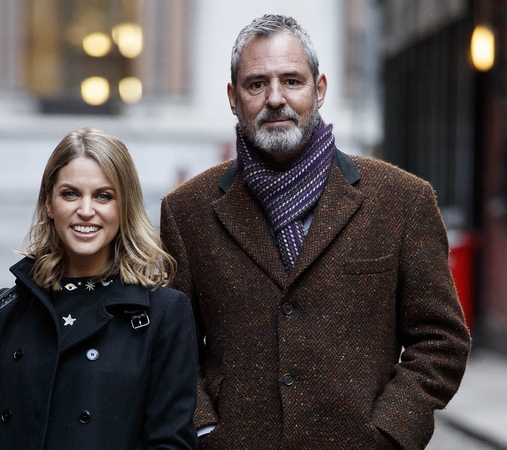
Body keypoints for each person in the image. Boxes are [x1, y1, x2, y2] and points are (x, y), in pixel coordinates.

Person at [160, 14, 471, 450]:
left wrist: (390, 434)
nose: (275, 98)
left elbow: (441, 340)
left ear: (319, 89)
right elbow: (171, 348)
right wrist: (207, 431)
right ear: (233, 98)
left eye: (292, 81)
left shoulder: (402, 201)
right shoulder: (187, 211)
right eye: (256, 84)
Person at [0, 128, 198, 450]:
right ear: (49, 202)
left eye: (103, 196)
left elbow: (170, 444)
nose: (86, 210)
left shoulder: (164, 313)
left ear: (123, 206)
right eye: (70, 194)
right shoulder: (8, 309)